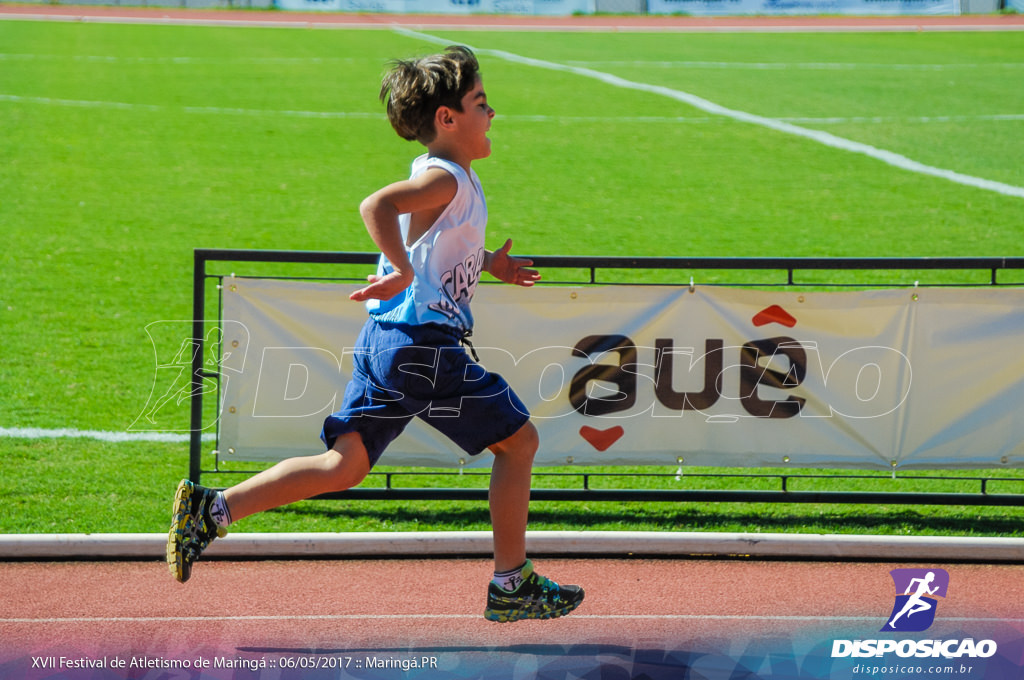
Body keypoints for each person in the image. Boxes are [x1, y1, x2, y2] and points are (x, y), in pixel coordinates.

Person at [166, 45, 584, 623]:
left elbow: (434, 244)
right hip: (422, 348)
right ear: (447, 119)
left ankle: (211, 510)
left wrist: (491, 264)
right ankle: (512, 583)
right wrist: (403, 271)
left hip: (388, 342)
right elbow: (377, 206)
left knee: (347, 465)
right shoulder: (446, 177)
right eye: (482, 103)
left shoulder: (445, 178)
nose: (493, 114)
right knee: (520, 443)